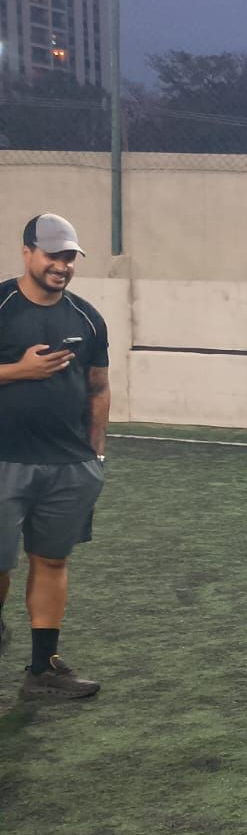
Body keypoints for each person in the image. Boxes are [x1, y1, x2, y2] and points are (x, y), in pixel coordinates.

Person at [0, 214, 108, 698]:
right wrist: (18, 371)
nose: (61, 265)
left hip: (68, 465)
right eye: (52, 255)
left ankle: (42, 670)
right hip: (5, 459)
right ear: (27, 252)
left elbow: (98, 387)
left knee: (52, 561)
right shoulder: (2, 305)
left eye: (68, 257)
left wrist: (95, 452)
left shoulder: (88, 318)